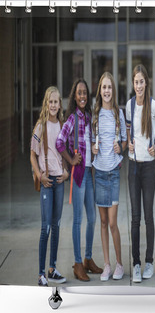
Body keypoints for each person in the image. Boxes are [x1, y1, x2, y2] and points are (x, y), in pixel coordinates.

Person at [56, 78, 102, 282]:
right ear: (74, 96)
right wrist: (70, 159)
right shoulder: (72, 119)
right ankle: (76, 263)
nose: (82, 96)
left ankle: (88, 259)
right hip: (78, 176)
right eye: (79, 93)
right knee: (77, 220)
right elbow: (59, 142)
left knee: (92, 218)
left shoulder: (89, 116)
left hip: (89, 174)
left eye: (85, 93)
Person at [126, 64, 155, 283]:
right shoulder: (129, 105)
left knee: (149, 217)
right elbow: (128, 130)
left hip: (149, 167)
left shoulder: (154, 106)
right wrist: (128, 144)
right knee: (135, 218)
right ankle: (136, 263)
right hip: (133, 167)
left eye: (142, 81)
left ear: (146, 83)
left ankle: (149, 261)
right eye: (136, 81)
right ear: (133, 84)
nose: (139, 85)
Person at [30, 86, 68, 286]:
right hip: (46, 182)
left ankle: (52, 268)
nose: (53, 105)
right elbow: (32, 155)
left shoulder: (63, 125)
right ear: (46, 104)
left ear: (60, 104)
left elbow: (66, 152)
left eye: (56, 102)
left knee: (57, 225)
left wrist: (67, 171)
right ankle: (41, 274)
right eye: (50, 102)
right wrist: (39, 174)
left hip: (59, 181)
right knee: (45, 227)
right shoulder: (41, 126)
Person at [92, 72, 127, 281]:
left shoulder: (118, 114)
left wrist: (120, 147)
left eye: (109, 87)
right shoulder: (95, 114)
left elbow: (124, 141)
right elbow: (90, 141)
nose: (106, 91)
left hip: (113, 173)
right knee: (103, 222)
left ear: (113, 90)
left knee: (113, 222)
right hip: (99, 172)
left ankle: (119, 264)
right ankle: (106, 265)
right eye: (103, 87)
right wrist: (92, 149)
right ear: (100, 91)